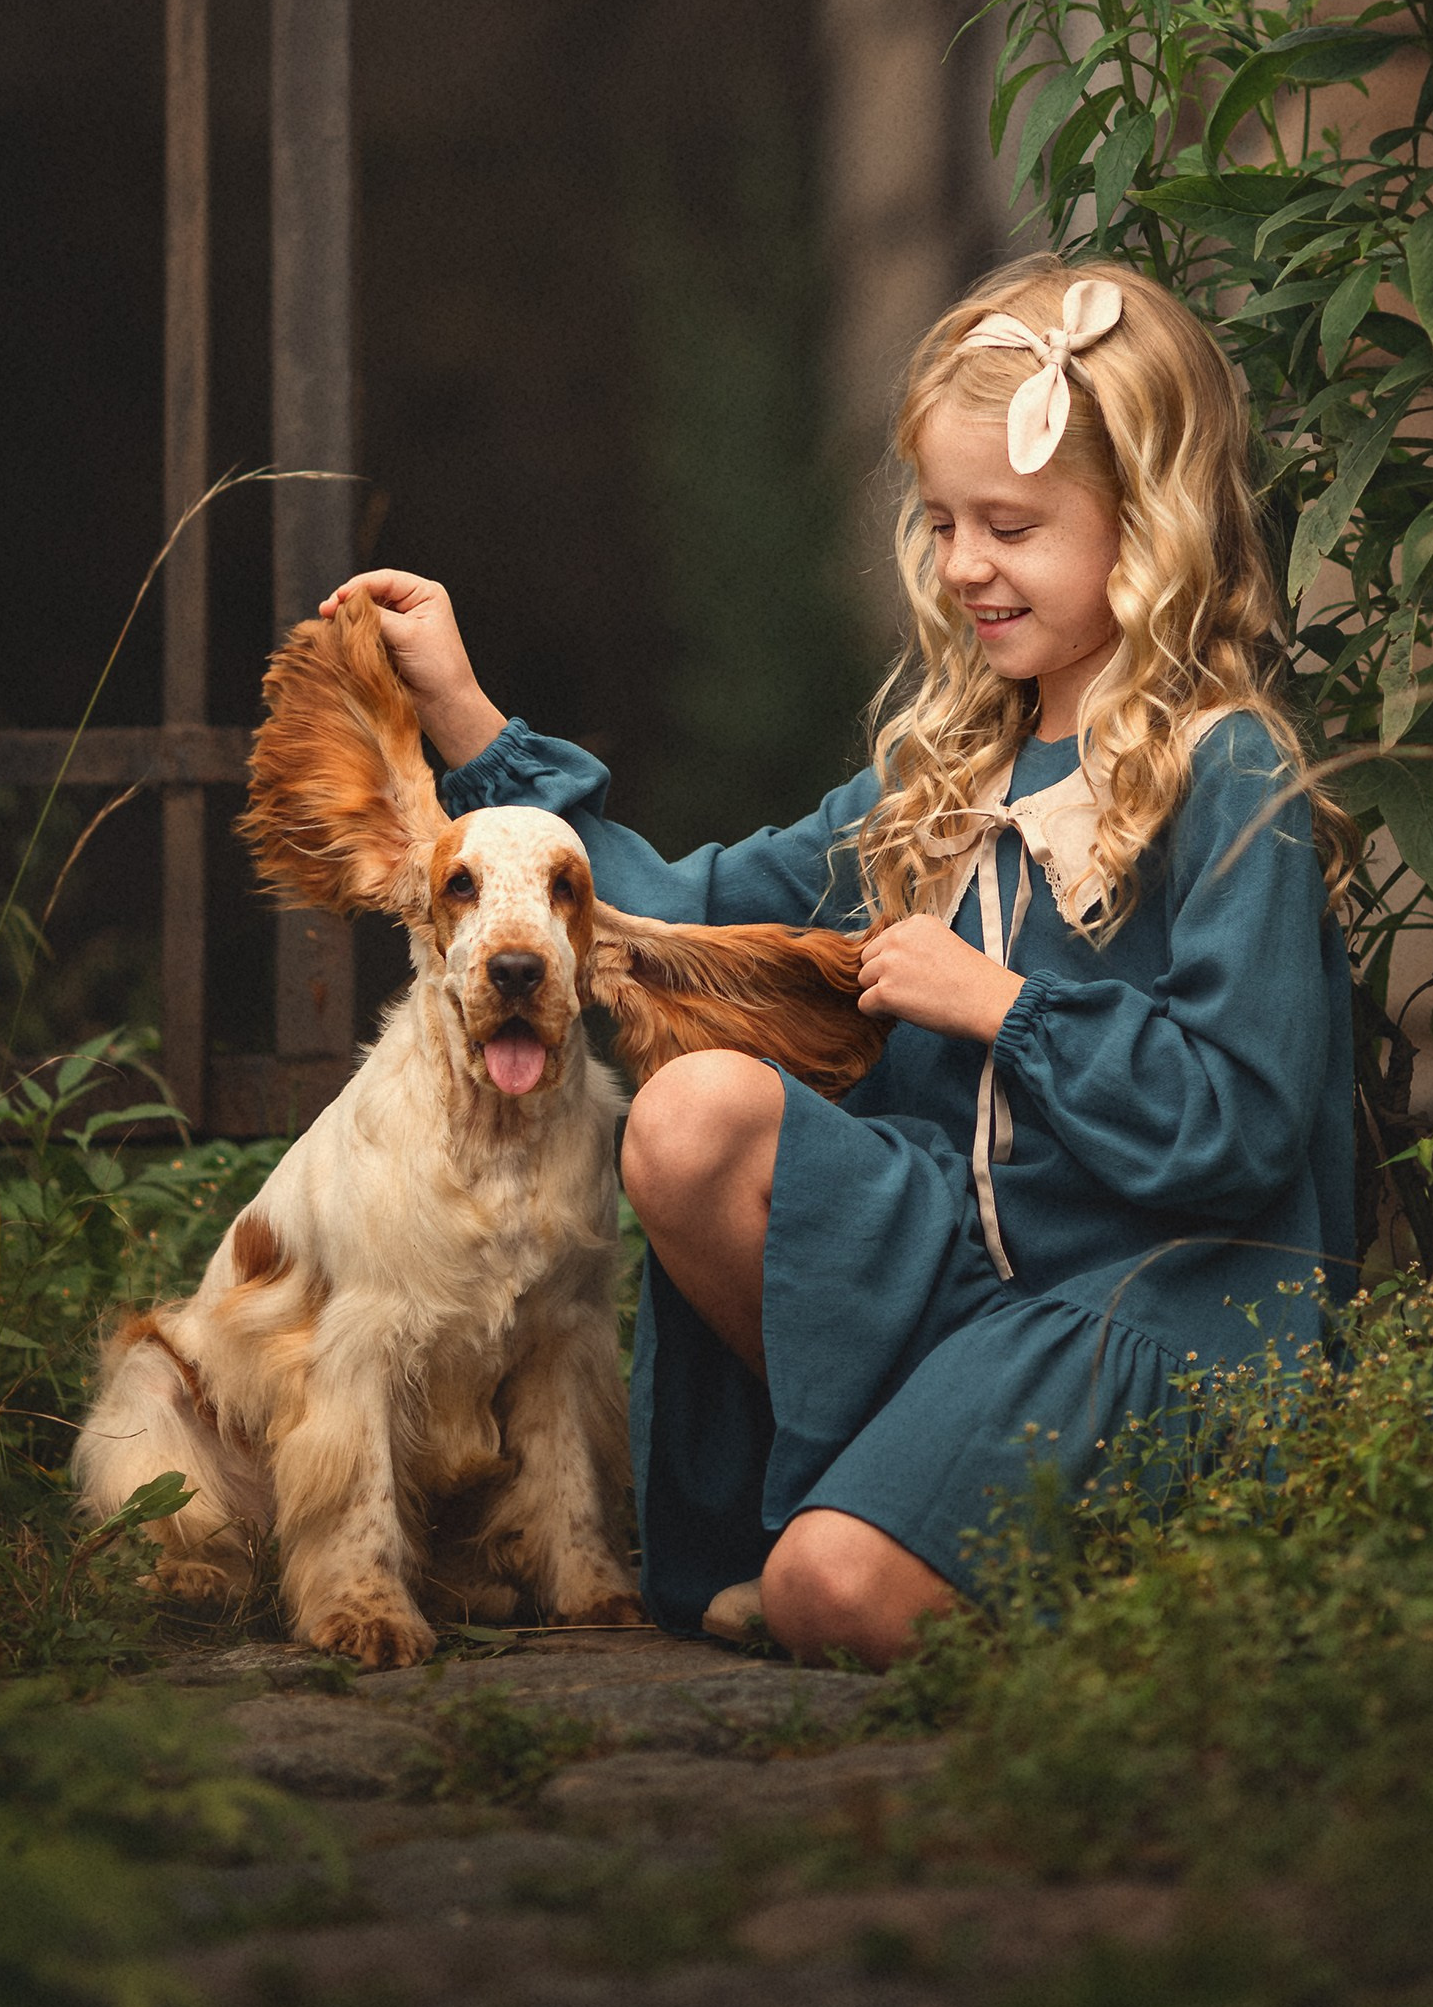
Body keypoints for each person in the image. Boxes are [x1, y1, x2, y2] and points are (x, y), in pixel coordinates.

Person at [321, 255, 1358, 1671]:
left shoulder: (1227, 772)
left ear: (1148, 528)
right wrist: (462, 714)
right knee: (688, 1123)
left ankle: (1143, 1588)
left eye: (1012, 525)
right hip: (961, 1281)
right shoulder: (946, 775)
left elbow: (1239, 1128)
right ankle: (897, 1486)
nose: (964, 566)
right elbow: (667, 923)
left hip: (1145, 1300)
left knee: (830, 1599)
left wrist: (999, 1005)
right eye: (940, 523)